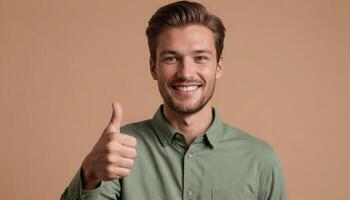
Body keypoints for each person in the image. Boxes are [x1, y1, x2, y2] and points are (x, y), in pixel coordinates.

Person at [61, 1, 286, 199]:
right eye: (171, 58)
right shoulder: (119, 151)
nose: (186, 72)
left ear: (218, 66)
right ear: (153, 68)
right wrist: (89, 172)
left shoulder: (260, 160)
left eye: (200, 58)